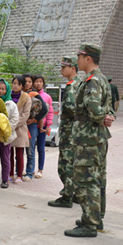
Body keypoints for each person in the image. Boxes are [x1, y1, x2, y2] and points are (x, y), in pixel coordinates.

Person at [65, 44, 114, 238]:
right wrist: (106, 117)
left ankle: (90, 224)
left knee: (86, 180)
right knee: (99, 178)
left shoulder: (93, 81)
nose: (77, 60)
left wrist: (101, 116)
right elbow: (109, 108)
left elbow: (94, 109)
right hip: (98, 137)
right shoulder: (102, 79)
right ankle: (96, 218)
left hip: (88, 138)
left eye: (79, 56)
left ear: (87, 58)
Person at [49, 57, 80, 208]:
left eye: (64, 67)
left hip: (69, 129)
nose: (61, 70)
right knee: (71, 163)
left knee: (65, 165)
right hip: (72, 128)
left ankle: (67, 196)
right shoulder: (78, 83)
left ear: (73, 68)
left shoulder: (72, 86)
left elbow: (72, 108)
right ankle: (74, 194)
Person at [0, 79, 19, 188]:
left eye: (3, 89)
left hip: (5, 135)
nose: (0, 91)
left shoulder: (11, 104)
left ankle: (5, 179)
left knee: (5, 158)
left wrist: (4, 129)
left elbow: (14, 120)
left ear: (7, 90)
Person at [9, 76, 31, 184]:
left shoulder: (26, 97)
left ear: (22, 86)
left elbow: (25, 115)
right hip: (8, 129)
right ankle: (10, 174)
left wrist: (13, 124)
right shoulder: (8, 96)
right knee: (9, 153)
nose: (15, 85)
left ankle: (19, 175)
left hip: (20, 129)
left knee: (19, 153)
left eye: (18, 84)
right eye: (14, 83)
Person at [32, 74, 54, 178]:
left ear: (43, 83)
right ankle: (30, 169)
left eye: (40, 81)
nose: (38, 83)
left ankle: (40, 170)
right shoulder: (30, 95)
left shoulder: (47, 97)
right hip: (31, 125)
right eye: (36, 81)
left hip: (43, 126)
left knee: (41, 148)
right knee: (30, 148)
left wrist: (48, 125)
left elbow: (50, 112)